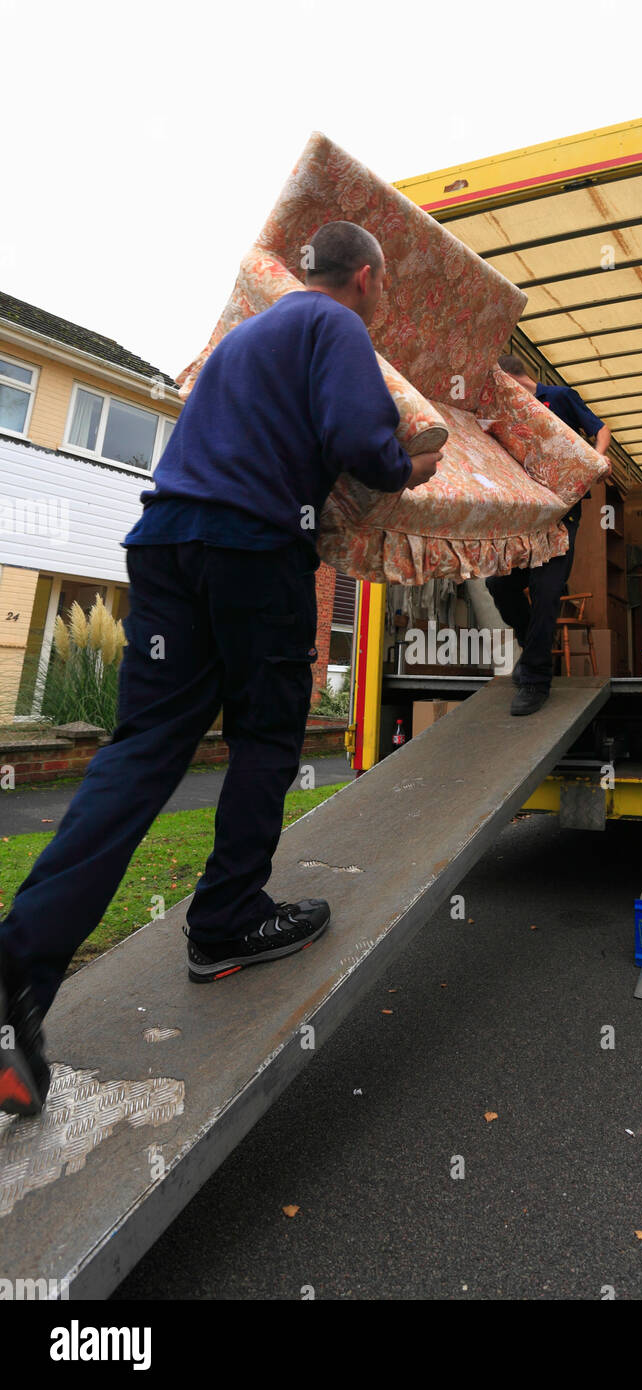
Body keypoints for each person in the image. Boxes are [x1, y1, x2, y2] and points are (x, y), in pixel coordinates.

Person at [0, 221, 442, 1118]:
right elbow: (363, 440)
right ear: (363, 278)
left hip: (166, 543)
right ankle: (228, 918)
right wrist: (415, 462)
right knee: (267, 737)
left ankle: (16, 979)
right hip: (250, 549)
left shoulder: (245, 337)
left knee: (140, 753)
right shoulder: (336, 327)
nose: (380, 303)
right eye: (383, 289)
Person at [486, 355, 611, 715]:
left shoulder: (560, 396)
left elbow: (601, 430)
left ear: (511, 378)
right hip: (527, 518)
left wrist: (597, 460)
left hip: (562, 516)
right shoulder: (512, 413)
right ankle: (533, 645)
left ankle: (537, 680)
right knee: (499, 584)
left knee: (546, 589)